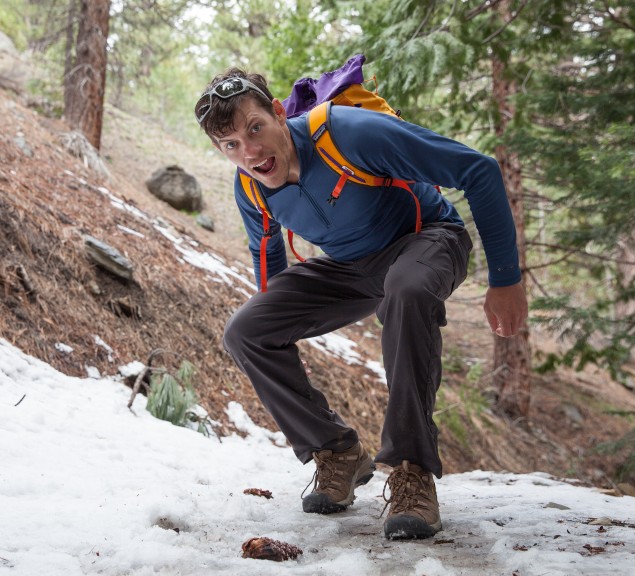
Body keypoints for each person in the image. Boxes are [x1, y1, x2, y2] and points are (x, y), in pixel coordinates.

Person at [194, 66, 528, 540]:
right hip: (352, 267)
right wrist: (280, 320)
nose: (249, 152)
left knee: (406, 288)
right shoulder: (250, 186)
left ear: (278, 112)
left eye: (255, 128)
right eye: (230, 144)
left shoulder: (347, 133)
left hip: (428, 239)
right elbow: (267, 257)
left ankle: (412, 470)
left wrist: (506, 279)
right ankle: (337, 452)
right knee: (246, 331)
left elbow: (478, 170)